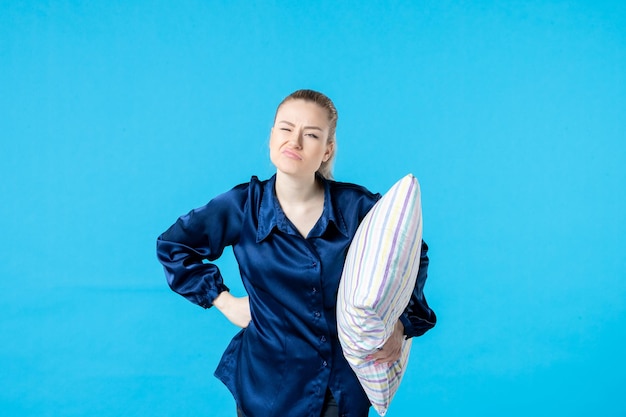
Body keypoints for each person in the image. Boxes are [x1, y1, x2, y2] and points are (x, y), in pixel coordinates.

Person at [156, 89, 436, 417]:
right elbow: (173, 246)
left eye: (311, 134)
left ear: (327, 149)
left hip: (340, 385)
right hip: (267, 384)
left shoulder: (357, 208)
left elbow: (411, 256)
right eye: (286, 128)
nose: (295, 141)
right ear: (272, 135)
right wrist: (224, 301)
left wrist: (400, 325)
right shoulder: (243, 207)